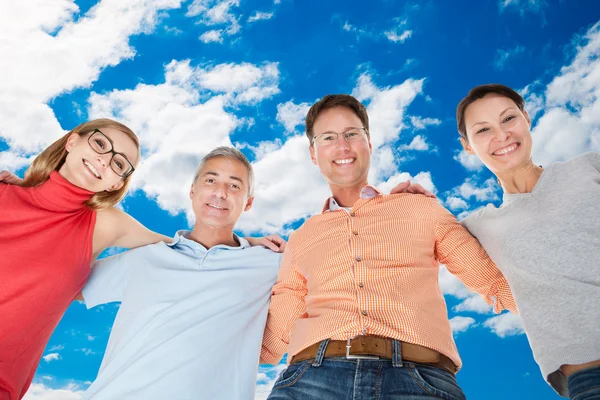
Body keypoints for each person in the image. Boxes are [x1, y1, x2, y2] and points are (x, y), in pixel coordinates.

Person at [260, 94, 517, 400]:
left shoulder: (421, 209)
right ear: (314, 154)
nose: (342, 146)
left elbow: (495, 282)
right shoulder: (301, 238)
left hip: (419, 379)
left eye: (351, 134)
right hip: (311, 380)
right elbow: (272, 340)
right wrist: (241, 247)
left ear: (369, 143)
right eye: (328, 137)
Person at [0, 123, 279, 400]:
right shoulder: (5, 192)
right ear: (72, 141)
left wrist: (245, 245)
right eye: (100, 144)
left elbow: (183, 247)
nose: (104, 159)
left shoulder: (106, 224)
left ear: (117, 183)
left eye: (118, 163)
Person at [79, 147, 283, 400]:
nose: (220, 193)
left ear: (248, 202)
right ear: (192, 191)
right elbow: (69, 285)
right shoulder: (147, 257)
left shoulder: (269, 263)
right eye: (211, 180)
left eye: (234, 186)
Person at [455, 84, 600, 399]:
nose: (502, 134)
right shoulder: (479, 226)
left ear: (527, 118)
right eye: (483, 130)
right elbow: (425, 230)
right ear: (467, 146)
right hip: (589, 378)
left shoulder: (590, 167)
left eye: (508, 119)